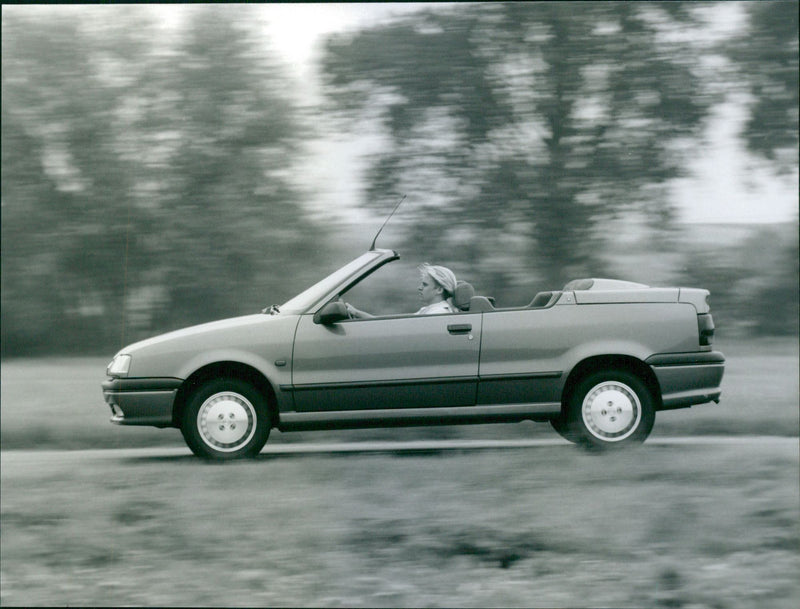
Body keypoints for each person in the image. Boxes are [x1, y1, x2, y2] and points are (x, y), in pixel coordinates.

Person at [345, 263, 458, 319]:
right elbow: (388, 325)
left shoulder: (437, 315)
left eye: (425, 284)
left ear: (439, 289)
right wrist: (356, 313)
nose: (419, 288)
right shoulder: (428, 310)